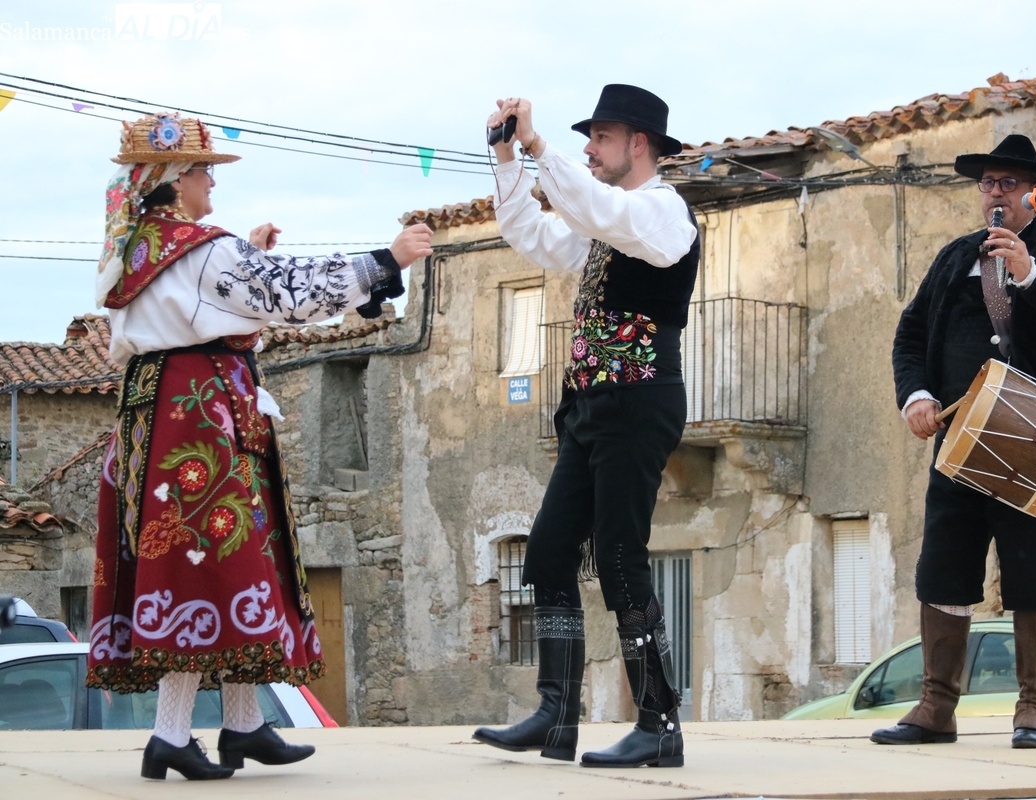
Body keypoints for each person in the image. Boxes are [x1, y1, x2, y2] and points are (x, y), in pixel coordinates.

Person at [88, 112, 433, 780]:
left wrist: (247, 253)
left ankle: (243, 723)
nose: (211, 183)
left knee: (234, 558)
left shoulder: (134, 249)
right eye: (203, 171)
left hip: (158, 412)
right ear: (175, 180)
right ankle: (170, 734)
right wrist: (386, 260)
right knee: (203, 562)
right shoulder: (200, 248)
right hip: (200, 415)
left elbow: (207, 308)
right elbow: (285, 293)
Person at [471, 86, 698, 768]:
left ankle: (659, 723)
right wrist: (507, 158)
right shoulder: (605, 222)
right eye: (586, 139)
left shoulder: (661, 211)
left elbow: (597, 208)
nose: (590, 149)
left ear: (639, 144)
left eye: (601, 138)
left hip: (639, 401)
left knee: (621, 557)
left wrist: (540, 148)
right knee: (547, 552)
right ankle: (556, 716)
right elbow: (532, 233)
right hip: (591, 407)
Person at [877, 134, 1036, 749]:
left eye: (1008, 183)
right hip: (959, 439)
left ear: (1035, 192)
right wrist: (916, 395)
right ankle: (936, 707)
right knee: (943, 567)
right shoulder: (956, 256)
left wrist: (1030, 273)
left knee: (1033, 567)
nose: (995, 194)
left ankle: (1035, 707)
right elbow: (910, 335)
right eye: (988, 183)